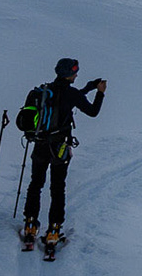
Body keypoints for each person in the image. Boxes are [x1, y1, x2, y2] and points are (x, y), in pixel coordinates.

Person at [21, 58, 107, 251]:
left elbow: (69, 97)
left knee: (36, 183)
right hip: (60, 147)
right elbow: (92, 111)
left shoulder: (45, 91)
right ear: (69, 73)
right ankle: (53, 229)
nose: (76, 74)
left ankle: (30, 224)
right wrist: (100, 94)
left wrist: (89, 87)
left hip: (41, 144)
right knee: (57, 188)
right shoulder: (72, 94)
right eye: (75, 72)